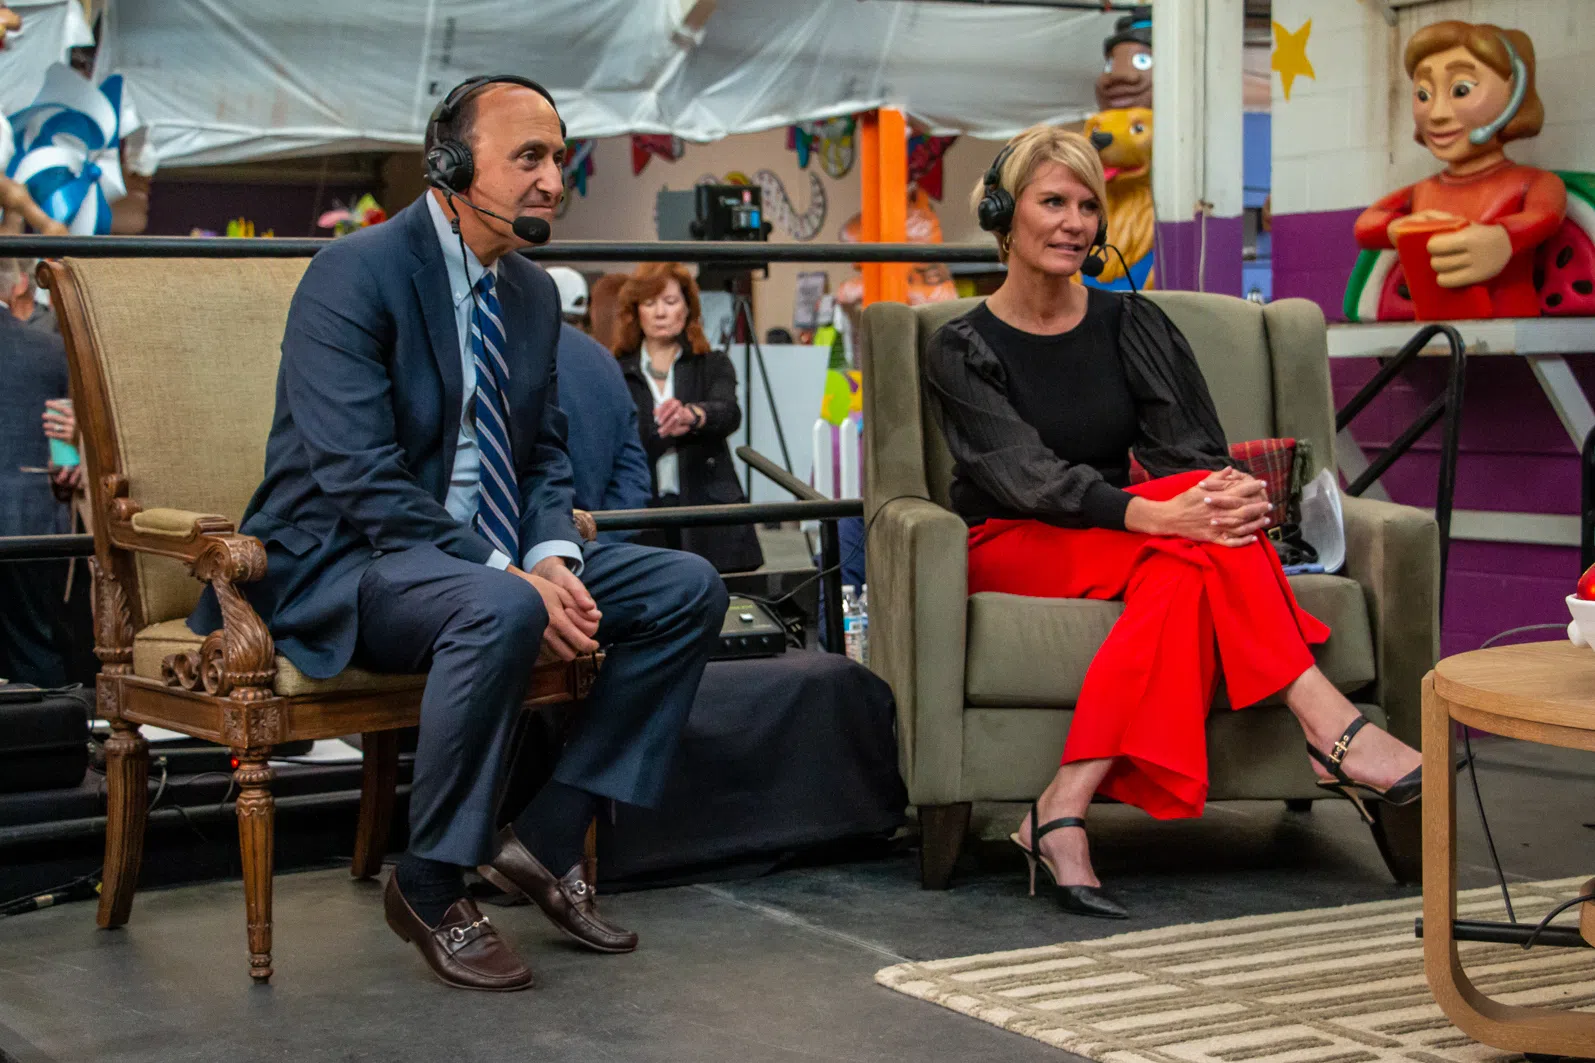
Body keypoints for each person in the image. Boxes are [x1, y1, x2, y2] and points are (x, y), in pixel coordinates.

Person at [187, 74, 727, 991]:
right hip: (350, 561)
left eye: (559, 158)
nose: (553, 179)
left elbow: (543, 453)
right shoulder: (354, 273)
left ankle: (545, 835)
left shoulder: (528, 293)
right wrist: (509, 573)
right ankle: (431, 881)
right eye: (529, 157)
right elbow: (357, 473)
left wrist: (551, 556)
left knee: (686, 589)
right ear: (447, 166)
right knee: (498, 606)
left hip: (488, 559)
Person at [924, 125, 1424, 920]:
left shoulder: (1133, 322)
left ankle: (1061, 804)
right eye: (1052, 202)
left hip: (1125, 531)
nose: (1074, 223)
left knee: (1195, 545)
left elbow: (1188, 447)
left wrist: (1218, 496)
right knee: (1196, 539)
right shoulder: (959, 345)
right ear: (1001, 214)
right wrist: (1155, 513)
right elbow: (1020, 474)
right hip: (1012, 537)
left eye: (1087, 206)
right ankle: (1330, 728)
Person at [612, 262, 764, 574]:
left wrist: (693, 416)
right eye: (649, 303)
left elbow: (729, 412)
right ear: (636, 311)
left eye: (670, 302)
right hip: (642, 511)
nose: (660, 313)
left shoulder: (712, 363)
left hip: (705, 506)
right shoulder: (615, 369)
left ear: (687, 308)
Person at [0, 283, 74, 685]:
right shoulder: (52, 349)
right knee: (35, 650)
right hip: (30, 519)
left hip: (28, 517)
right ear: (16, 286)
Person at [546, 265, 652, 541]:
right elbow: (632, 475)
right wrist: (601, 541)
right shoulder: (606, 362)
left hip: (519, 552)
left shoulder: (503, 351)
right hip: (596, 545)